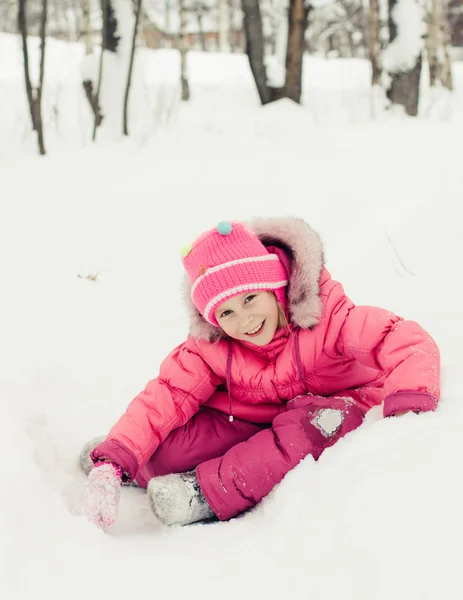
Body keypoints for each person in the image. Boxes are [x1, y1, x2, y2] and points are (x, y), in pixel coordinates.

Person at [79, 217, 440, 530]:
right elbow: (167, 394)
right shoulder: (214, 344)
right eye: (227, 313)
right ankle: (125, 462)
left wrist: (409, 401)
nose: (245, 320)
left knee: (308, 429)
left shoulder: (329, 318)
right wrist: (116, 460)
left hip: (330, 411)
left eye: (250, 299)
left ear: (276, 286)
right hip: (254, 416)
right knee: (171, 449)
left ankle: (202, 494)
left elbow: (405, 340)